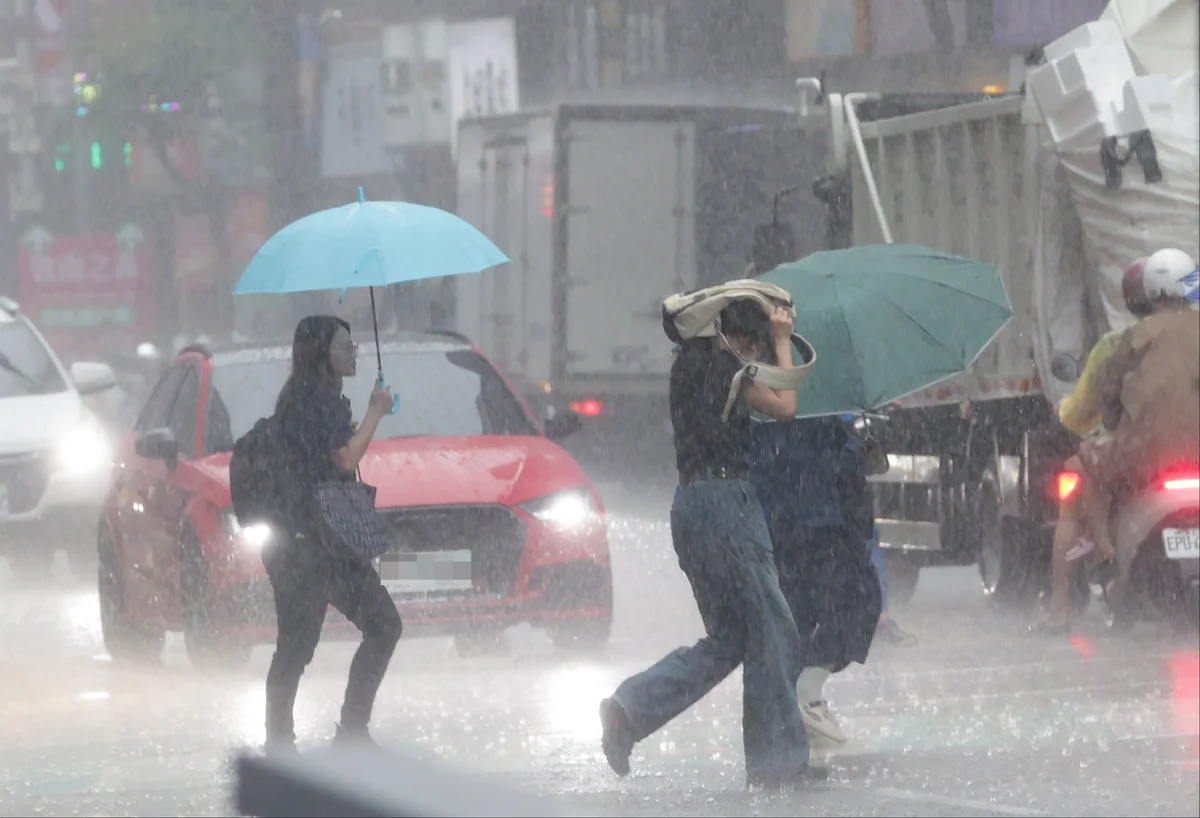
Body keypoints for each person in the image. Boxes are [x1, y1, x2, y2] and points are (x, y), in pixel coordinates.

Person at [598, 299, 821, 790]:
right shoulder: (726, 368)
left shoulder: (687, 370)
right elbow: (786, 405)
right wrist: (784, 341)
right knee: (775, 630)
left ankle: (629, 711)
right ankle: (778, 765)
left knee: (731, 639)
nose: (754, 350)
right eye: (753, 342)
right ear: (737, 338)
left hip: (690, 506)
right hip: (727, 505)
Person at [263, 316, 402, 754]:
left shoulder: (309, 397)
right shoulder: (314, 401)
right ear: (323, 354)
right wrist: (376, 411)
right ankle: (321, 737)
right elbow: (344, 458)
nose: (354, 350)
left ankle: (296, 740)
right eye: (345, 345)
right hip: (310, 546)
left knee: (306, 645)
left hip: (314, 543)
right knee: (305, 645)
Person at [1032, 257, 1154, 635]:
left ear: (1131, 300)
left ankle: (1061, 608)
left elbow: (1081, 414)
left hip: (1132, 456)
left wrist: (1065, 409)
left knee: (1074, 488)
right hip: (1188, 449)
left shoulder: (1115, 346)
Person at [749, 412, 882, 750]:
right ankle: (807, 693)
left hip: (771, 523)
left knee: (796, 616)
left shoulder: (754, 385)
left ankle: (787, 717)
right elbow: (831, 459)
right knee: (859, 599)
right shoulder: (814, 393)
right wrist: (857, 445)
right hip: (819, 519)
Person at [1082, 247, 1199, 605]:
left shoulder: (1135, 336)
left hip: (1148, 456)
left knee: (1089, 459)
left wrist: (1113, 421)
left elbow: (1111, 402)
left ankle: (1104, 552)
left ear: (1150, 290)